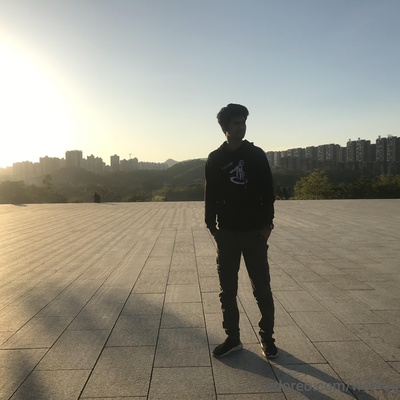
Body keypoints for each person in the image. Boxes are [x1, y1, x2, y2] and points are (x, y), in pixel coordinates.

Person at [204, 103, 278, 359]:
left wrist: (267, 226)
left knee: (262, 289)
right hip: (227, 233)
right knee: (227, 290)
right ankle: (233, 338)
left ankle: (267, 337)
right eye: (236, 123)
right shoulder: (215, 158)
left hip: (254, 233)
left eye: (243, 122)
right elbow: (211, 194)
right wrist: (211, 226)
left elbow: (268, 191)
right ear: (225, 127)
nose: (241, 127)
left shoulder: (256, 155)